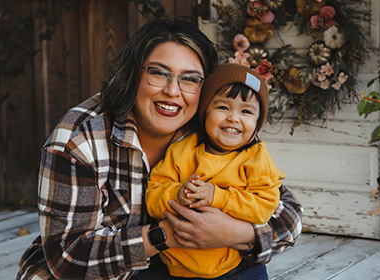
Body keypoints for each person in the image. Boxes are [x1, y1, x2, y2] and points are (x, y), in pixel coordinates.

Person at [17, 18, 303, 280]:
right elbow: (66, 259)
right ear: (133, 74)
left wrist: (237, 233)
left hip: (171, 266)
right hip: (102, 274)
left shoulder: (208, 127)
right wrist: (169, 234)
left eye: (189, 78)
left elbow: (287, 213)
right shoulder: (79, 140)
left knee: (248, 266)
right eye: (159, 73)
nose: (173, 91)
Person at [146, 63, 285, 279]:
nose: (233, 118)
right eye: (223, 107)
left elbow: (264, 206)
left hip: (237, 268)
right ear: (204, 112)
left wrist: (217, 197)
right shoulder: (182, 150)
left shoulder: (256, 158)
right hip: (176, 269)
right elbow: (153, 195)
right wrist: (176, 194)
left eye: (246, 111)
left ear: (257, 123)